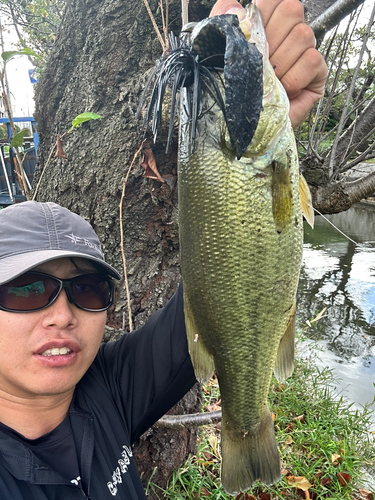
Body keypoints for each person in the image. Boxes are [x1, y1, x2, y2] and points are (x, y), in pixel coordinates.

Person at [0, 1, 327, 498]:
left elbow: (221, 285)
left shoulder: (107, 389)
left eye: (87, 290)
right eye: (27, 289)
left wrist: (259, 107)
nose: (62, 315)